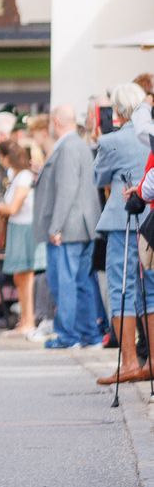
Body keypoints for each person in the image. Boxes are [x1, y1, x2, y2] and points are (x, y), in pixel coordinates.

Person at [92, 87, 154, 384]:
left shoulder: (111, 141)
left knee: (121, 290)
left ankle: (129, 362)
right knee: (151, 291)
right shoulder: (150, 134)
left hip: (122, 220)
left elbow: (99, 177)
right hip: (150, 219)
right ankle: (152, 360)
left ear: (117, 110)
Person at [34, 105, 101, 349]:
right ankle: (88, 334)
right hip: (83, 225)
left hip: (68, 228)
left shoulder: (67, 147)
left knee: (65, 282)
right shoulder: (79, 145)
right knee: (82, 281)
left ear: (56, 121)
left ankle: (68, 335)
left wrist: (56, 226)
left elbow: (67, 188)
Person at [2, 136, 40, 336]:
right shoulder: (14, 175)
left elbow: (14, 207)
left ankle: (30, 320)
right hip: (16, 227)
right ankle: (23, 319)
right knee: (19, 276)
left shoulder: (24, 176)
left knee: (26, 275)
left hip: (25, 227)